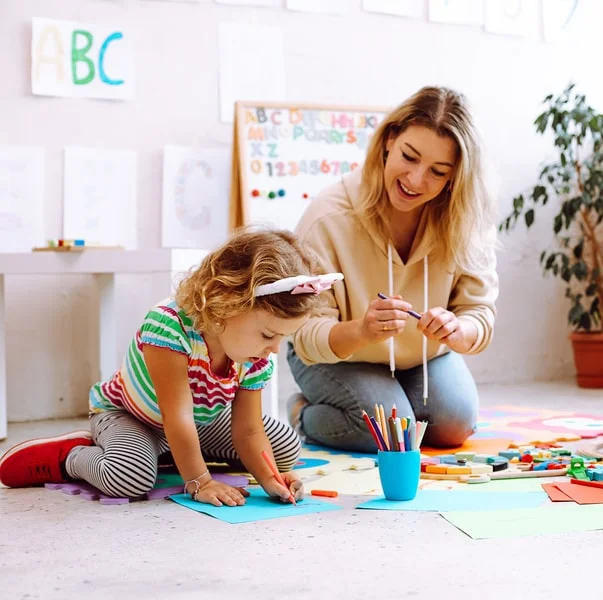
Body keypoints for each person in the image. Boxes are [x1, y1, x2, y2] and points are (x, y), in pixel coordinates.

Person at [0, 228, 332, 506]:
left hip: (196, 423)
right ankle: (73, 455)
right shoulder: (169, 326)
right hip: (133, 417)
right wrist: (200, 481)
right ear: (226, 304)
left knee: (285, 445)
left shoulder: (254, 355)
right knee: (130, 478)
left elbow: (248, 430)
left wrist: (271, 480)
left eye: (281, 339)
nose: (274, 349)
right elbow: (177, 416)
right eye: (268, 335)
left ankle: (171, 455)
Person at [286, 85, 498, 453]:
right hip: (335, 355)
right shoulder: (328, 216)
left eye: (438, 171)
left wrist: (458, 331)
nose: (416, 180)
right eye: (409, 157)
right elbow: (304, 333)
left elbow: (478, 313)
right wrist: (362, 330)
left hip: (421, 357)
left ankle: (390, 401)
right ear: (388, 140)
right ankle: (302, 413)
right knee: (388, 435)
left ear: (455, 178)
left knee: (455, 425)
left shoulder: (465, 217)